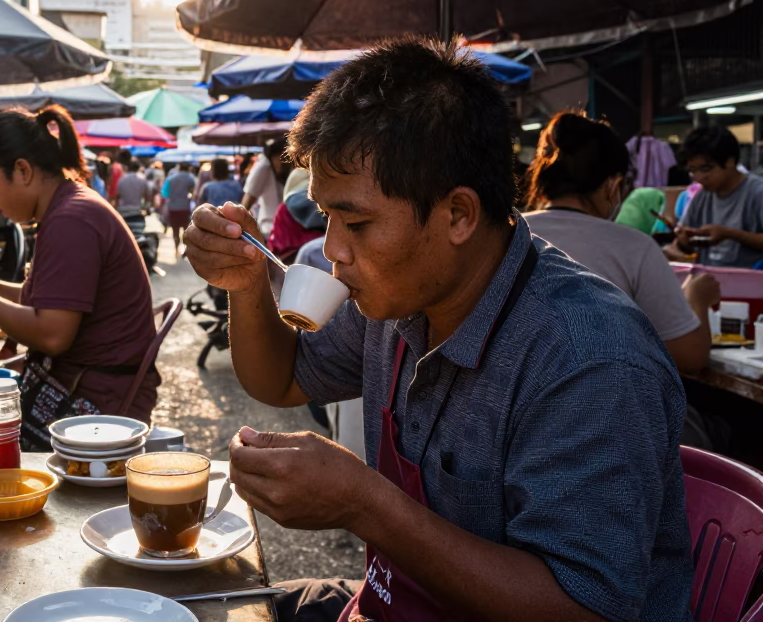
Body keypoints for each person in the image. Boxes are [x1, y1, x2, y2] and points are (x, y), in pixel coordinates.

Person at [185, 38, 691, 621]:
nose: (332, 251)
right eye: (327, 217)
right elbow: (281, 379)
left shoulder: (588, 357)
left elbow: (584, 608)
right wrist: (245, 283)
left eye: (355, 221)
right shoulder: (398, 301)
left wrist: (363, 503)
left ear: (457, 215)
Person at [0, 105, 158, 446]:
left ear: (22, 170)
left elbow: (52, 334)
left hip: (96, 398)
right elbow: (48, 302)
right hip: (82, 382)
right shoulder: (66, 208)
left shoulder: (72, 219)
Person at [523, 112, 718, 375]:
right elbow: (690, 356)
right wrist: (697, 299)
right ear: (613, 186)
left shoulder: (505, 233)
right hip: (601, 408)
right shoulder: (635, 248)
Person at [668, 125, 763, 268]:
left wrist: (730, 234)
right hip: (709, 283)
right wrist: (684, 241)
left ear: (730, 162)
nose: (698, 177)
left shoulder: (757, 192)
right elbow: (684, 247)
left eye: (706, 169)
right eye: (692, 171)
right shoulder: (702, 196)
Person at [242, 136, 289, 236]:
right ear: (273, 156)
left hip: (286, 232)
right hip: (270, 231)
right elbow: (248, 199)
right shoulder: (264, 166)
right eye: (280, 158)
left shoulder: (287, 169)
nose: (283, 162)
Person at [162, 163, 198, 254]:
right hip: (185, 206)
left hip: (173, 207)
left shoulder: (170, 178)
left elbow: (165, 193)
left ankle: (176, 247)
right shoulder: (190, 178)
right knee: (186, 228)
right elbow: (193, 192)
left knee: (175, 228)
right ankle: (186, 248)